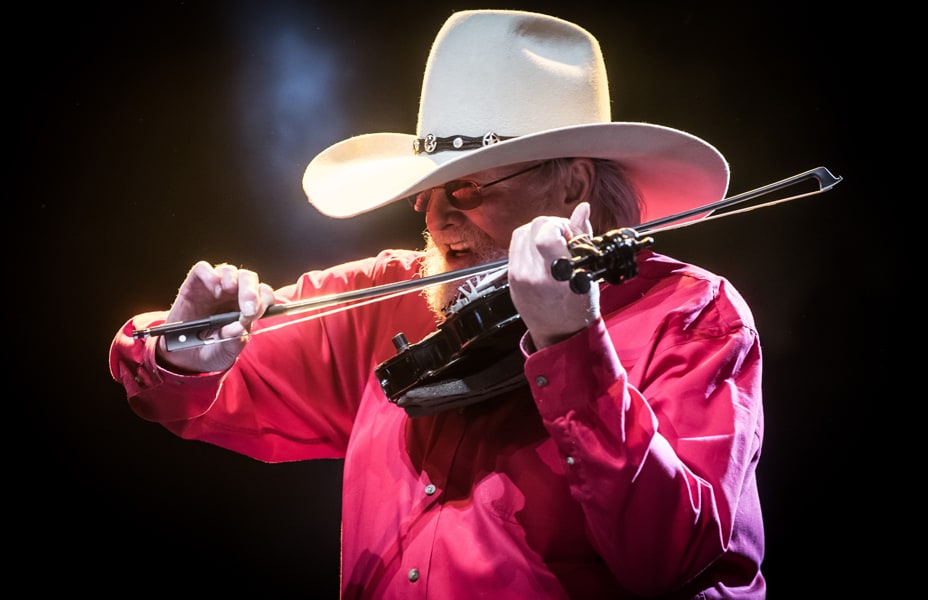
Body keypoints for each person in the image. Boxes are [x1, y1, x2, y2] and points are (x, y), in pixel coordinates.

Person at [109, 9, 765, 599]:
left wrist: (572, 348)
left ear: (572, 184)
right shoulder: (390, 297)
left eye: (468, 189)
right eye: (425, 191)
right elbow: (180, 385)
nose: (435, 218)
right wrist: (186, 350)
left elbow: (680, 559)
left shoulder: (691, 313)